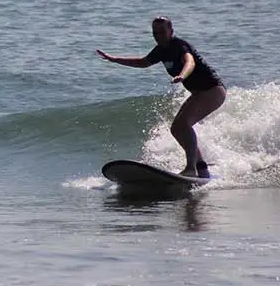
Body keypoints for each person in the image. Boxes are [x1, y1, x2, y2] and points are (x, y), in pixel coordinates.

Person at [96, 16, 226, 177]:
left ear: (171, 31)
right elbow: (143, 62)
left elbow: (190, 62)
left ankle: (191, 169)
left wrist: (182, 76)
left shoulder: (179, 45)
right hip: (200, 93)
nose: (158, 36)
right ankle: (201, 167)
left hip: (213, 90)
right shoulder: (160, 50)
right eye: (155, 33)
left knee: (184, 124)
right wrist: (115, 60)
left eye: (162, 32)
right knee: (177, 129)